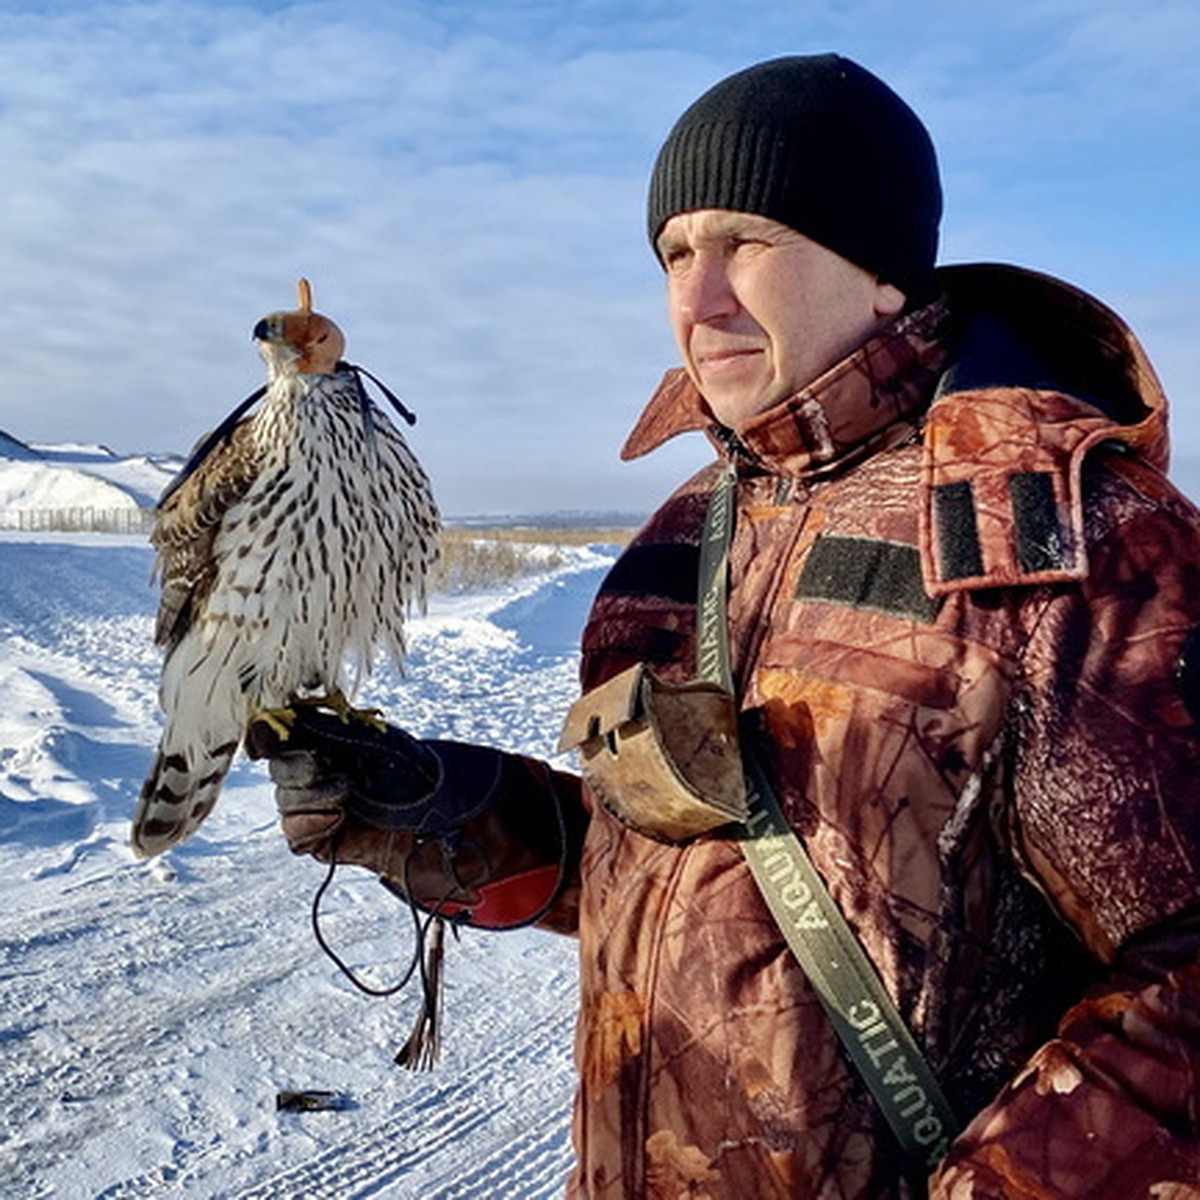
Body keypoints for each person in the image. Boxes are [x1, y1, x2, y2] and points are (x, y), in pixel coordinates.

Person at [250, 54, 1200, 1198]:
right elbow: (668, 870)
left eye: (746, 241)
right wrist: (443, 815)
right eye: (674, 254)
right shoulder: (686, 531)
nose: (696, 301)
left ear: (882, 272)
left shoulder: (1059, 537)